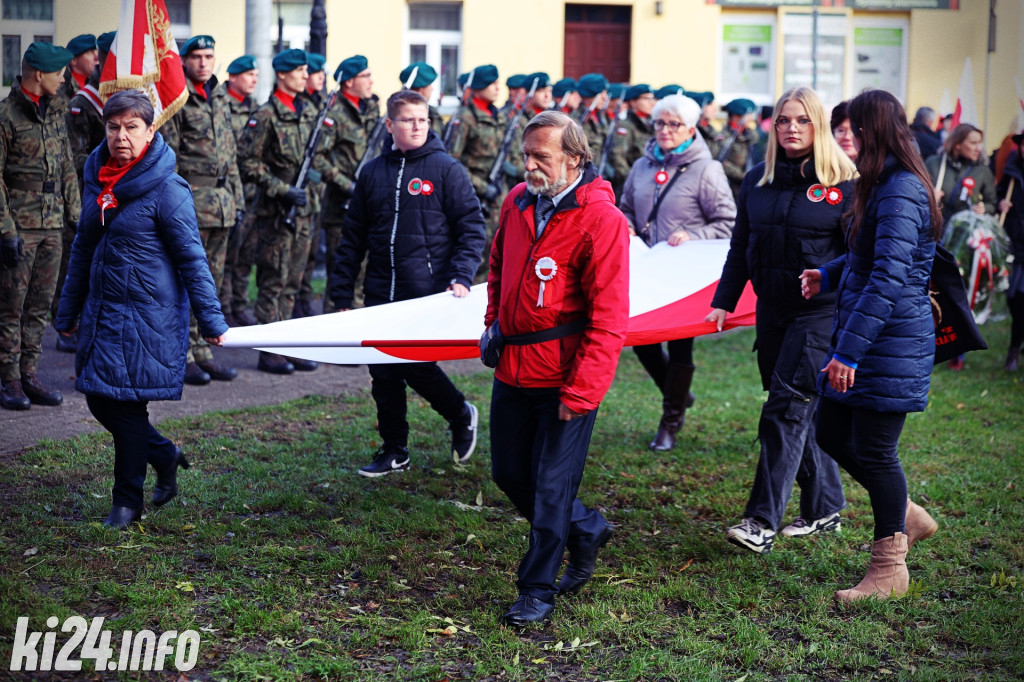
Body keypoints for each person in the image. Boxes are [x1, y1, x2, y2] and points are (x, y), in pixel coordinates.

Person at [54, 90, 228, 530]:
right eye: (113, 127)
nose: (121, 136)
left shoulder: (167, 189)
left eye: (132, 127)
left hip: (148, 316)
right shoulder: (98, 176)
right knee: (99, 399)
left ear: (152, 130)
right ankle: (165, 455)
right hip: (104, 312)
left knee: (126, 407)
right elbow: (82, 248)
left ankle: (127, 502)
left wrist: (211, 320)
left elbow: (192, 257)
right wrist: (68, 310)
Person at [487, 111, 629, 626]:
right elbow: (499, 267)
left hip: (565, 378)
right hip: (513, 366)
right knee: (508, 472)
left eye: (540, 157)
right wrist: (493, 326)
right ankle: (586, 527)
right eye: (526, 155)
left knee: (551, 487)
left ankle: (538, 589)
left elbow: (611, 317)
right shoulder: (517, 202)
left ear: (574, 159)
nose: (529, 165)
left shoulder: (601, 220)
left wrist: (583, 390)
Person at [799, 89, 940, 602]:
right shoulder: (876, 184)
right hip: (869, 331)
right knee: (831, 430)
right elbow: (866, 257)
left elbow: (889, 277)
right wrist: (828, 274)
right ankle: (902, 510)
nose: (843, 137)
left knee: (877, 452)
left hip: (888, 340)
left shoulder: (901, 189)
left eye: (851, 128)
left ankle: (889, 571)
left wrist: (849, 354)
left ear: (874, 130)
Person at [707, 86, 855, 554]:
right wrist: (724, 300)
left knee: (785, 410)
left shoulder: (847, 184)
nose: (792, 128)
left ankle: (760, 521)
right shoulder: (756, 179)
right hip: (771, 312)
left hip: (819, 314)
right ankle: (826, 505)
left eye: (802, 121)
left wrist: (833, 291)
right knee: (796, 411)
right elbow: (740, 246)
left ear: (820, 126)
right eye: (784, 120)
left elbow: (859, 257)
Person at [329, 90, 485, 477]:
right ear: (389, 125)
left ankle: (460, 413)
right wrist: (342, 293)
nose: (416, 126)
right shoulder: (373, 172)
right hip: (381, 290)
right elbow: (353, 238)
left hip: (427, 290)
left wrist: (461, 275)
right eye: (408, 120)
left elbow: (471, 227)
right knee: (382, 369)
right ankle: (395, 449)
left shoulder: (446, 169)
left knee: (415, 364)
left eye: (423, 120)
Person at [619, 93, 735, 451]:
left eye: (673, 124)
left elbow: (728, 222)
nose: (665, 130)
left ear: (690, 128)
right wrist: (625, 226)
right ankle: (679, 394)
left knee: (679, 344)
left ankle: (670, 422)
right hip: (645, 269)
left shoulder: (706, 169)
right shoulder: (641, 166)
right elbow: (623, 208)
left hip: (683, 275)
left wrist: (693, 235)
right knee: (641, 341)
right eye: (659, 123)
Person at [0, 42, 79, 411]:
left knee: (39, 307)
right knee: (10, 307)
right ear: (37, 74)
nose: (63, 78)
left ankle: (29, 374)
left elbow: (65, 167)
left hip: (52, 225)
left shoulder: (56, 112)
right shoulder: (6, 116)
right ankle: (9, 379)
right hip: (20, 224)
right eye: (58, 72)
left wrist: (76, 217)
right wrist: (6, 230)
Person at [238, 48, 326, 374]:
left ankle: (286, 342)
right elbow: (248, 162)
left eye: (306, 70)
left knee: (293, 280)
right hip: (277, 210)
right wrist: (281, 189)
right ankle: (269, 348)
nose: (306, 75)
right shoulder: (265, 115)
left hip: (304, 208)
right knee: (273, 279)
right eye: (300, 70)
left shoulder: (308, 111)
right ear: (284, 75)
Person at [163, 35, 242, 386]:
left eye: (209, 56)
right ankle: (184, 353)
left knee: (212, 281)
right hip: (192, 201)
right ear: (184, 60)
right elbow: (170, 159)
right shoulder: (178, 99)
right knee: (187, 280)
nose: (204, 63)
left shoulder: (220, 97)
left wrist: (236, 200)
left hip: (222, 203)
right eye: (196, 56)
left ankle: (203, 350)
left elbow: (231, 155)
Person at [58, 30, 115, 354]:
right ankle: (69, 329)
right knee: (82, 263)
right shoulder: (83, 104)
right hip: (88, 195)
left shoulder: (120, 99)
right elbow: (74, 158)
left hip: (115, 197)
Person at [317, 54, 381, 314]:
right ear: (349, 82)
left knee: (367, 276)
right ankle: (329, 343)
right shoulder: (334, 115)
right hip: (341, 208)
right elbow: (317, 159)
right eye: (365, 76)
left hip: (371, 206)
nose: (371, 81)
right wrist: (347, 184)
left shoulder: (372, 111)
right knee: (341, 276)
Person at [214, 55, 260, 328]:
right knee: (226, 256)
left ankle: (240, 305)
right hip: (228, 190)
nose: (254, 79)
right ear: (233, 77)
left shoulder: (256, 108)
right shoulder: (220, 104)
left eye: (255, 74)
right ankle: (225, 306)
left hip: (252, 193)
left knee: (246, 255)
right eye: (249, 74)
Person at [449, 64, 504, 278]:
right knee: (476, 258)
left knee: (497, 255)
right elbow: (453, 162)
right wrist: (482, 186)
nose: (497, 88)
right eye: (491, 83)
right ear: (479, 86)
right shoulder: (465, 117)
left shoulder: (498, 116)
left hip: (498, 196)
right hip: (474, 195)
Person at [294, 52, 329, 321]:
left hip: (316, 194)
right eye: (316, 73)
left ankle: (304, 302)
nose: (319, 78)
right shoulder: (302, 107)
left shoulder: (318, 105)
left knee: (310, 253)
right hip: (297, 192)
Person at [926, 123, 997, 222]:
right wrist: (928, 197)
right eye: (973, 143)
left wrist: (984, 208)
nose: (978, 148)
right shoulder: (933, 163)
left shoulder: (983, 171)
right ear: (957, 144)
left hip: (963, 232)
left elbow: (993, 203)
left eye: (979, 143)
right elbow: (916, 194)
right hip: (934, 228)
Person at [997, 130, 1024, 371]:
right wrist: (1000, 203)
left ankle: (1015, 350)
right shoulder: (1011, 173)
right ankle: (1015, 348)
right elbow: (996, 195)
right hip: (1015, 247)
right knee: (1015, 301)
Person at [607, 83, 654, 200]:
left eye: (652, 98)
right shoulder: (626, 126)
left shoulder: (650, 124)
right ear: (633, 102)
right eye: (647, 98)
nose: (651, 103)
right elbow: (617, 157)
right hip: (632, 188)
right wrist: (634, 181)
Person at [717, 98, 760, 201]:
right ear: (736, 116)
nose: (752, 117)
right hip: (729, 186)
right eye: (748, 114)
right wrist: (743, 176)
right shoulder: (724, 136)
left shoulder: (751, 134)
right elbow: (721, 161)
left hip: (749, 185)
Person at [571, 73, 610, 165]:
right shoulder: (576, 120)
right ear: (589, 94)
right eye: (601, 93)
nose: (605, 98)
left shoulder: (601, 116)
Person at [400, 61, 445, 140]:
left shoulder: (431, 112)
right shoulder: (401, 114)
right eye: (429, 84)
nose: (432, 88)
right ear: (421, 88)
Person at [59, 34, 97, 101]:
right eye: (90, 53)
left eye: (97, 52)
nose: (96, 57)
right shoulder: (59, 91)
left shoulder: (97, 86)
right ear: (73, 60)